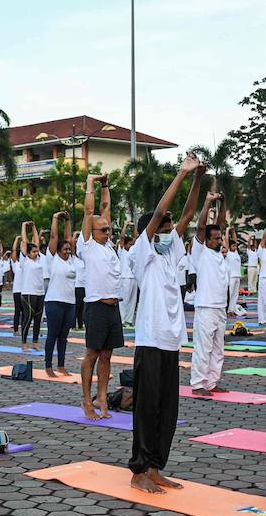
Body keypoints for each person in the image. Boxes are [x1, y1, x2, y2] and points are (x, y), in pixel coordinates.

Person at [129, 156, 206, 493]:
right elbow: (161, 212)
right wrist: (182, 173)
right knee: (146, 410)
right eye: (164, 226)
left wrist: (199, 179)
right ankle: (139, 471)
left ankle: (157, 466)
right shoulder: (141, 253)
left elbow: (187, 214)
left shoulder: (171, 251)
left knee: (167, 411)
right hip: (150, 340)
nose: (170, 229)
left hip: (171, 341)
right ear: (151, 232)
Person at [78, 173, 123, 419]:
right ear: (92, 232)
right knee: (92, 355)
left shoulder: (107, 245)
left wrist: (106, 184)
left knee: (107, 355)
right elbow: (90, 211)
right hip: (95, 306)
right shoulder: (87, 244)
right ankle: (86, 401)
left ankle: (102, 397)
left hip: (113, 308)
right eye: (103, 229)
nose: (108, 231)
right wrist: (91, 183)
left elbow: (106, 207)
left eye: (108, 229)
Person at [188, 187, 229, 397]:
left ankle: (212, 382)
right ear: (207, 239)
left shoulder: (218, 254)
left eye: (220, 238)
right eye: (216, 238)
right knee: (203, 348)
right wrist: (207, 202)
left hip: (220, 307)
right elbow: (202, 225)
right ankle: (197, 384)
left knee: (218, 348)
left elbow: (220, 224)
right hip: (205, 308)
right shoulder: (200, 252)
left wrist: (222, 202)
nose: (220, 240)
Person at [44, 212, 80, 376]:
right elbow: (54, 236)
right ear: (57, 250)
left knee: (63, 336)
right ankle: (48, 366)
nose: (67, 251)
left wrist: (68, 221)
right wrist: (56, 218)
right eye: (64, 249)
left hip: (69, 303)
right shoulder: (53, 259)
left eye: (69, 249)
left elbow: (69, 238)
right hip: (54, 302)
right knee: (53, 334)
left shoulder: (72, 259)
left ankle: (61, 365)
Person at [13, 222, 46, 346]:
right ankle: (24, 342)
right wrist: (24, 226)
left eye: (37, 251)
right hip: (28, 293)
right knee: (28, 318)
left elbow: (36, 242)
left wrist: (33, 227)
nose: (36, 253)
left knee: (38, 319)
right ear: (27, 253)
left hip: (40, 292)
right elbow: (25, 242)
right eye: (33, 252)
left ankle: (35, 342)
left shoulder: (39, 259)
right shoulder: (24, 260)